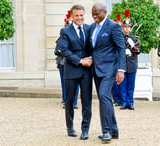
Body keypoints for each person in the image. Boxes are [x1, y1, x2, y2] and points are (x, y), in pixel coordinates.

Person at [90, 2, 126, 143]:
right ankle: (114, 129)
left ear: (104, 12)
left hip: (109, 69)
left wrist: (120, 69)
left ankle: (106, 131)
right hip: (96, 69)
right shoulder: (93, 27)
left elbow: (120, 48)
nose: (94, 16)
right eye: (93, 14)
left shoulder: (113, 26)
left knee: (104, 96)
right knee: (105, 99)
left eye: (97, 13)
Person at [55, 4, 93, 140]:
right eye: (76, 15)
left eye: (81, 15)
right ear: (72, 16)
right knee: (70, 100)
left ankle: (85, 130)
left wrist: (91, 58)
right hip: (71, 69)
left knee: (87, 101)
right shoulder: (65, 31)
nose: (79, 18)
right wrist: (80, 60)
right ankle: (70, 127)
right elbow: (64, 50)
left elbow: (95, 47)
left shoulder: (89, 29)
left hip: (87, 71)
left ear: (84, 15)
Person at [55, 14, 79, 109]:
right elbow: (57, 51)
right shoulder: (61, 39)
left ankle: (75, 102)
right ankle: (66, 100)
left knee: (75, 84)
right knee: (65, 83)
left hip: (73, 62)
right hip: (63, 63)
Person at [119, 10, 141, 110]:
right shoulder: (119, 38)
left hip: (131, 63)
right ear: (122, 27)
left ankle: (130, 102)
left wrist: (132, 47)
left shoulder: (135, 39)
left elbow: (138, 51)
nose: (127, 28)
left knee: (131, 85)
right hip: (122, 64)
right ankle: (124, 102)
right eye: (125, 27)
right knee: (123, 85)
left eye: (128, 27)